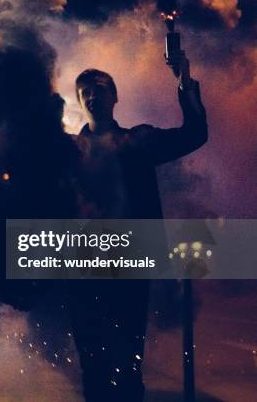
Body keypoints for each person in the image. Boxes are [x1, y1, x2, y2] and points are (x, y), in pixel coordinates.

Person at [69, 53, 208, 401]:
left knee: (128, 363)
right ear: (78, 102)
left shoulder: (138, 141)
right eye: (84, 91)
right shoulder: (68, 152)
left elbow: (194, 134)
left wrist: (185, 82)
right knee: (92, 366)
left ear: (115, 97)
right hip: (83, 272)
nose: (92, 96)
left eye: (100, 88)